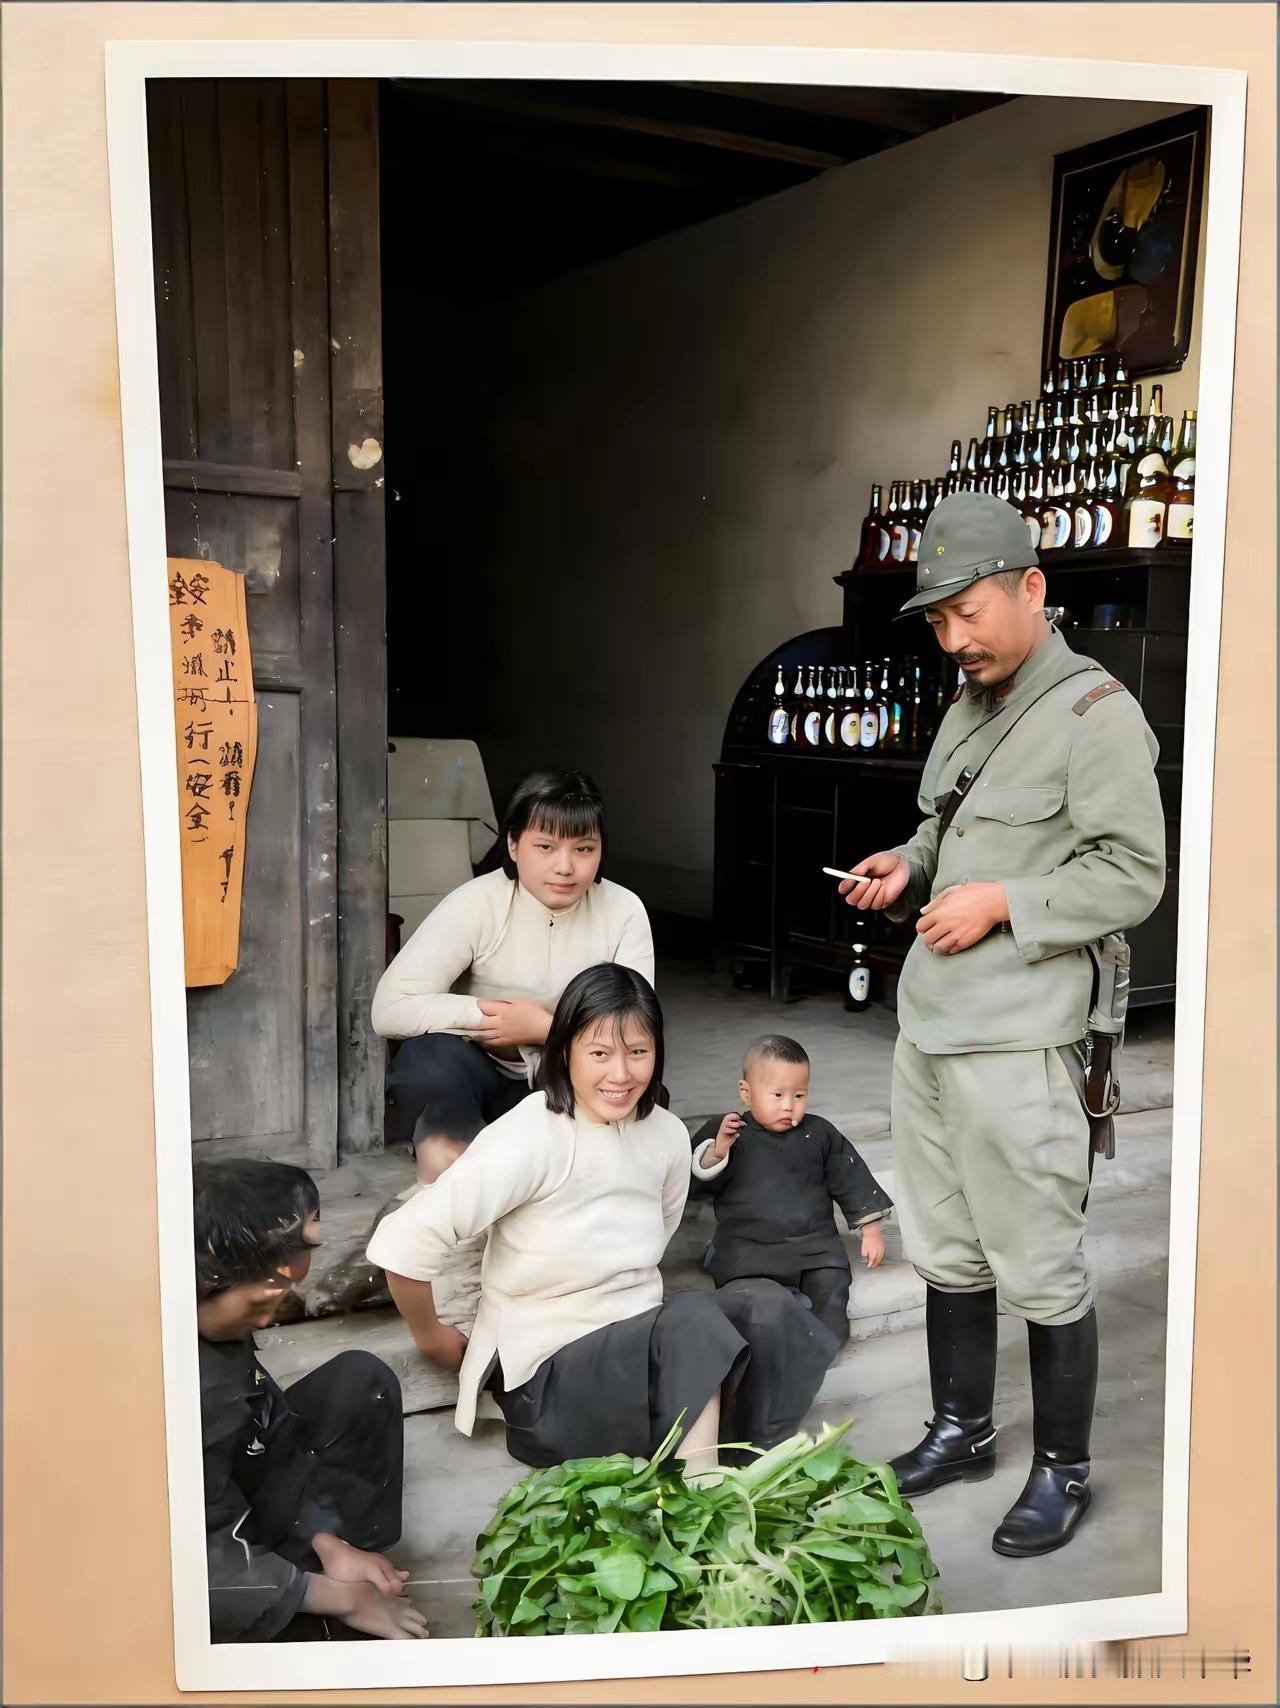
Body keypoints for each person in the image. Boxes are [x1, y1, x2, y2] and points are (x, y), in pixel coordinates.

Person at [838, 489, 1165, 1558]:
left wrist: (1004, 904)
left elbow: (1133, 872)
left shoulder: (1095, 715)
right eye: (935, 620)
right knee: (945, 1248)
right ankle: (959, 1429)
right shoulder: (968, 705)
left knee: (1036, 1262)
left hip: (1022, 1041)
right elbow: (947, 827)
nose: (953, 638)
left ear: (1030, 589)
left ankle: (1060, 1471)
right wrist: (909, 863)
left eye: (968, 611)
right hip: (930, 1028)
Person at [367, 965, 838, 1472]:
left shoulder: (666, 1136)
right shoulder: (532, 1131)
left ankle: (752, 1451)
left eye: (638, 1052)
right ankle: (704, 1492)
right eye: (599, 1053)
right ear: (565, 1049)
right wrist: (434, 1337)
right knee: (694, 1318)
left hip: (638, 1359)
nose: (620, 1074)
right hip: (548, 1380)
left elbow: (661, 1228)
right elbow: (405, 1239)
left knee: (768, 1303)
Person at [373, 769, 655, 1185]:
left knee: (632, 1083)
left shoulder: (623, 909)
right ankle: (448, 1180)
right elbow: (390, 1007)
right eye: (545, 846)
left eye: (583, 848)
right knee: (427, 1059)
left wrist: (546, 1029)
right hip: (479, 1075)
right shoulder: (477, 903)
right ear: (513, 843)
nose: (565, 866)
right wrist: (490, 1017)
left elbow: (635, 1030)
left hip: (567, 1073)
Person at [196, 1158, 425, 1642]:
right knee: (331, 1640)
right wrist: (339, 1598)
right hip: (210, 1548)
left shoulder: (214, 1323)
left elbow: (272, 1437)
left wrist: (324, 1538)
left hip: (239, 1477)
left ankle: (327, 1559)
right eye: (259, 1304)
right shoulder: (187, 1390)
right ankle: (299, 1596)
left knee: (360, 1383)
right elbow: (197, 1556)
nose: (267, 1320)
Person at [688, 1034, 893, 1343]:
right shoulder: (729, 1131)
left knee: (831, 1291)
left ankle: (817, 1347)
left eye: (799, 1096)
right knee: (755, 1302)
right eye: (778, 1095)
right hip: (749, 1251)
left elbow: (850, 1177)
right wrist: (717, 1152)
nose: (789, 1107)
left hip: (814, 1248)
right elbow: (693, 1185)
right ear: (746, 1092)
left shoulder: (819, 1133)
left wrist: (872, 1230)